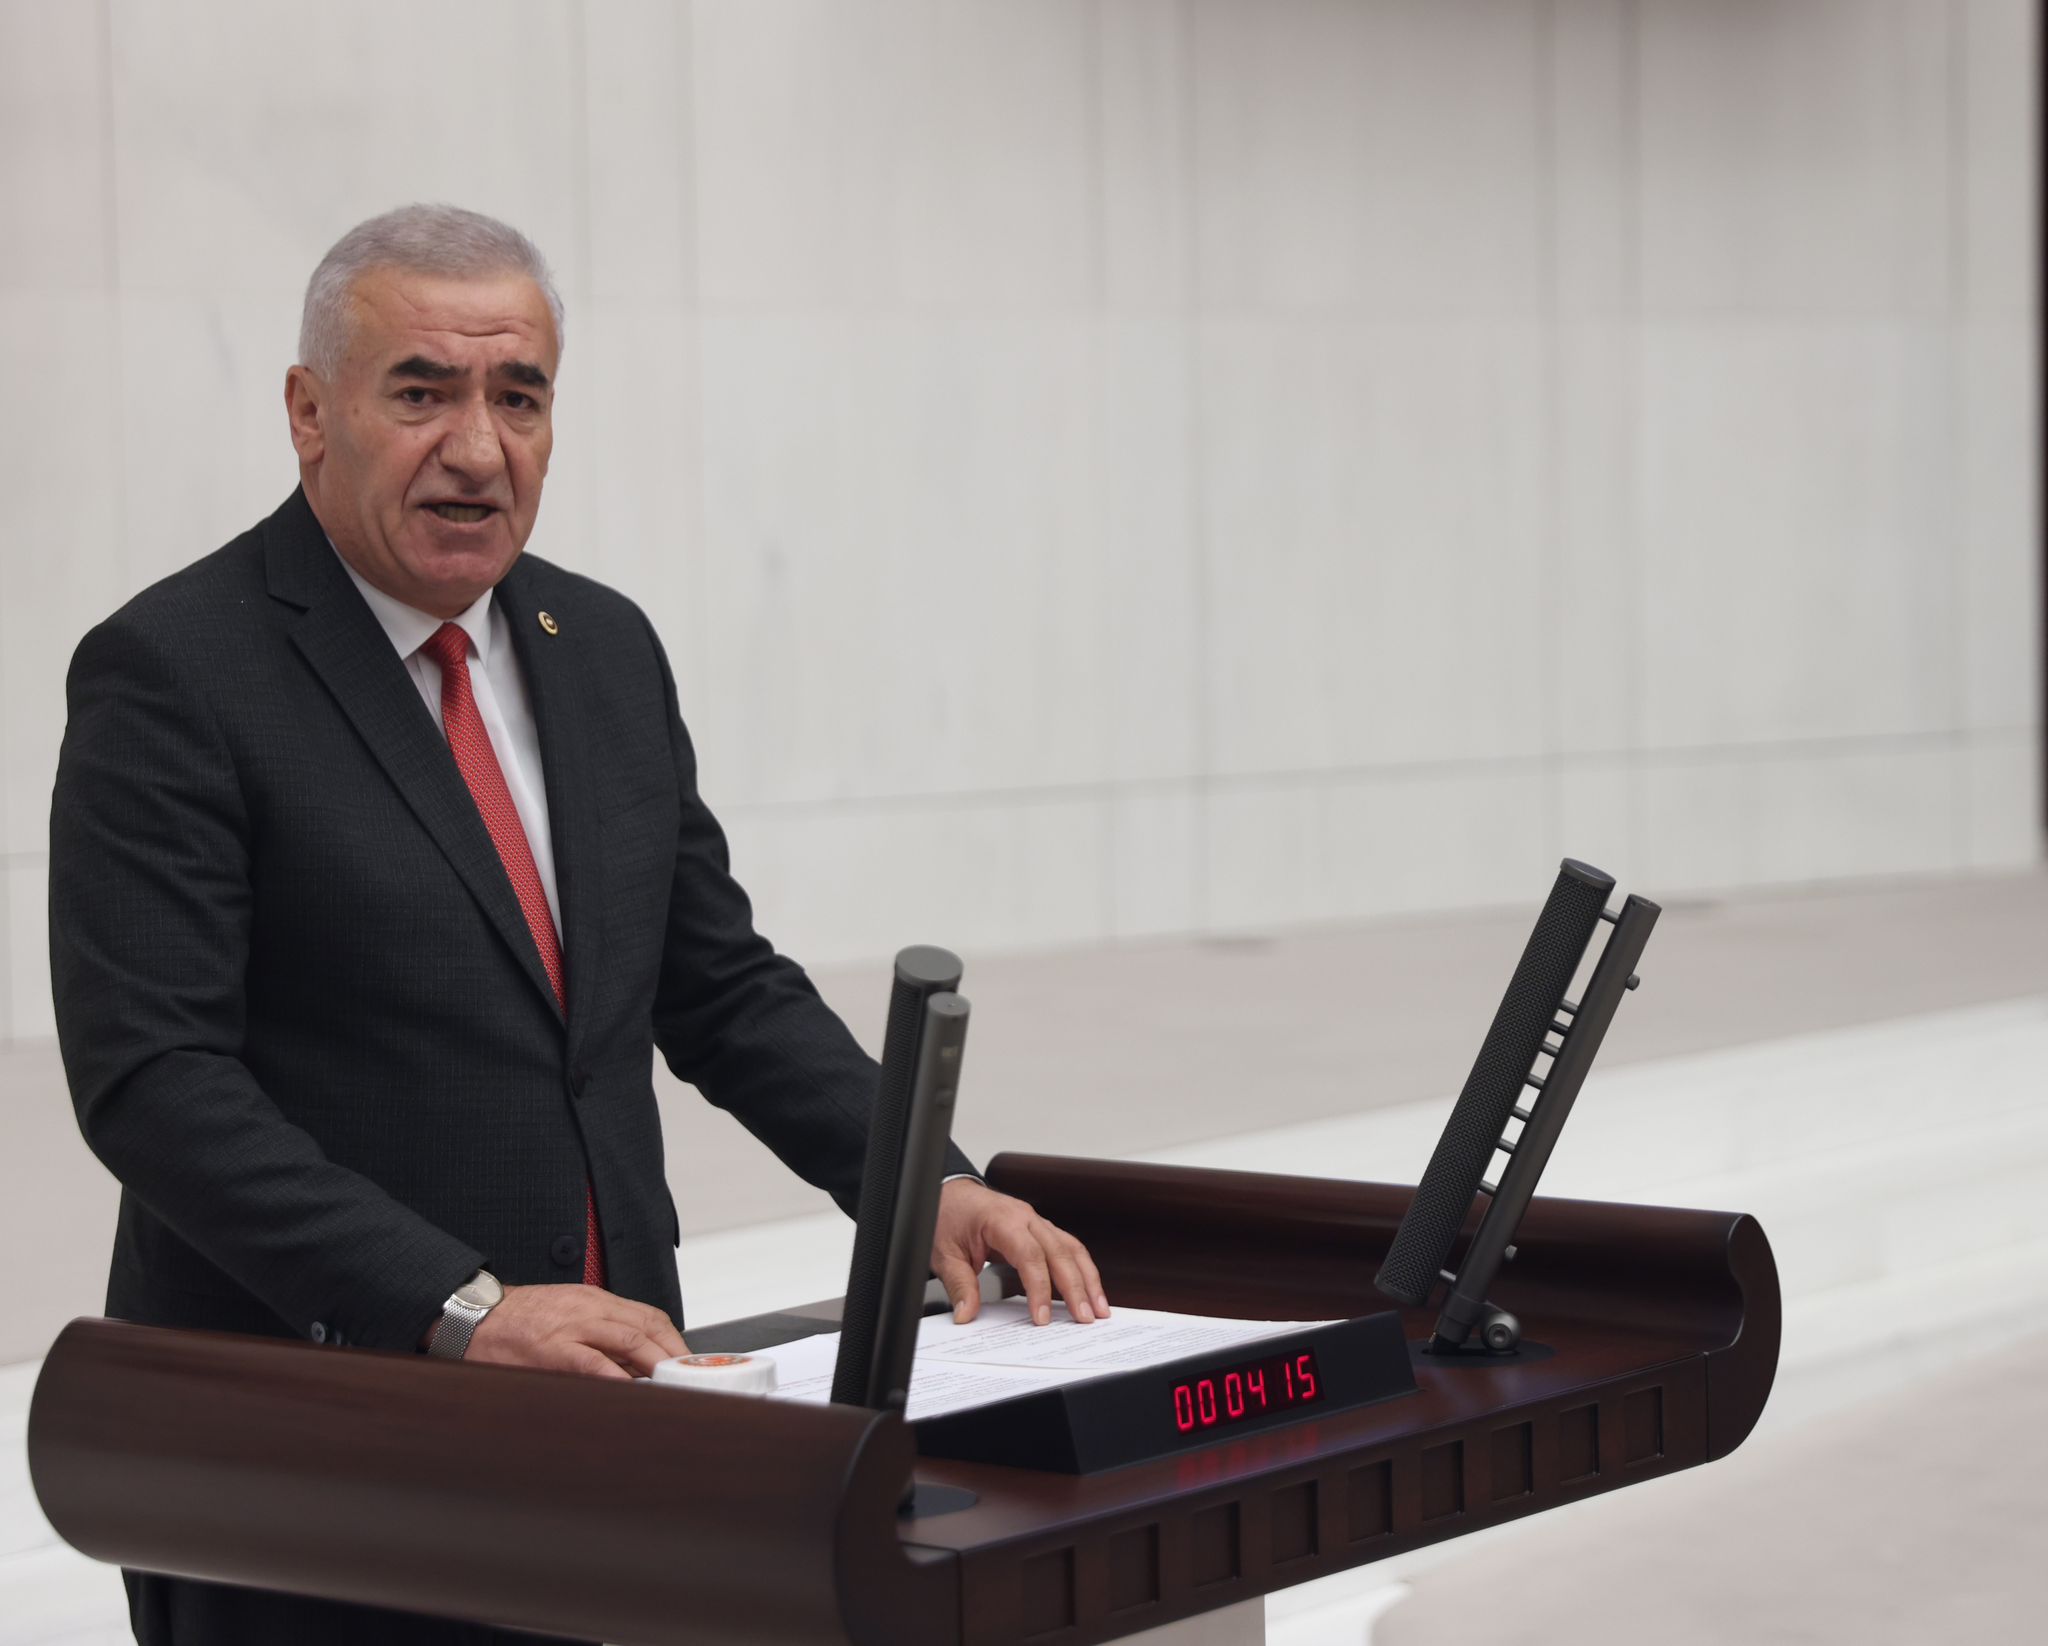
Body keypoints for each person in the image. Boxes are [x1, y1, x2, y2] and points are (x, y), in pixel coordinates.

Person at [49, 203, 1109, 1646]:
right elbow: (155, 1085)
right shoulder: (176, 671)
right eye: (421, 392)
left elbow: (718, 986)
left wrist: (922, 1188)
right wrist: (463, 1304)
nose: (478, 448)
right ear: (308, 413)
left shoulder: (601, 647)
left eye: (519, 396)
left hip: (611, 1414)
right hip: (324, 1451)